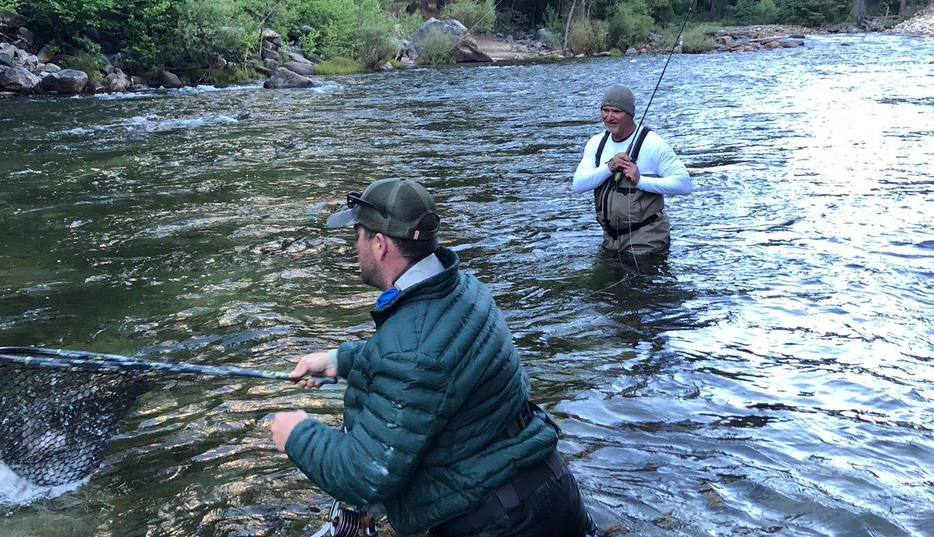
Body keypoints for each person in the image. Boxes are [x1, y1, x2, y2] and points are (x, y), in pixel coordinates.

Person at [271, 177, 595, 537]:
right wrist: (341, 360)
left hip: (500, 523)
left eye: (357, 236)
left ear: (379, 244)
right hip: (553, 492)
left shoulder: (412, 348)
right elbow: (431, 360)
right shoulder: (464, 289)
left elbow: (365, 476)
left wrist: (298, 435)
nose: (355, 247)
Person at [571, 84, 692, 263]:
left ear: (630, 114)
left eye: (616, 111)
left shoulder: (653, 144)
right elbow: (578, 185)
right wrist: (608, 168)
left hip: (647, 239)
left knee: (636, 289)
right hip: (611, 239)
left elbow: (684, 185)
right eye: (605, 110)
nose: (609, 117)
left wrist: (640, 180)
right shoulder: (596, 143)